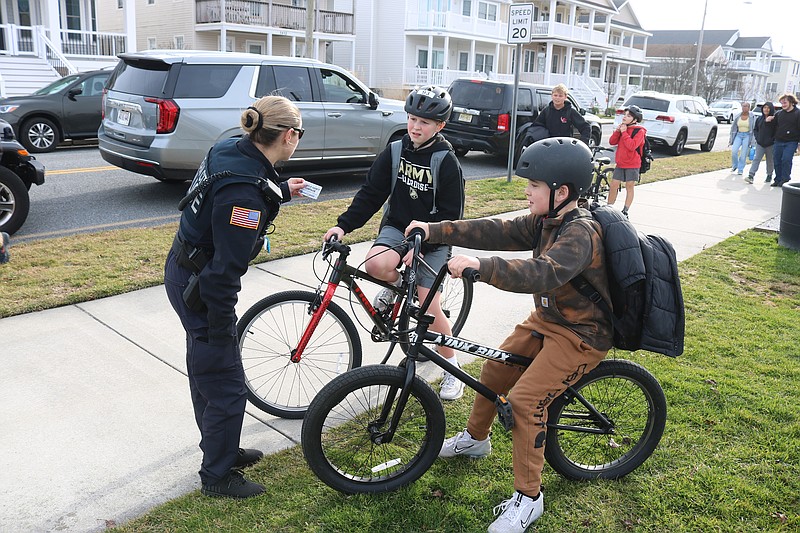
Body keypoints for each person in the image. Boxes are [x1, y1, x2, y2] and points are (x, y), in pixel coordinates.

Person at [407, 138, 611, 532]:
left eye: (534, 185)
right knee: (494, 371)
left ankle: (529, 499)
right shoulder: (545, 221)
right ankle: (475, 439)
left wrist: (481, 267)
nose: (526, 191)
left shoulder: (581, 233)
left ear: (561, 192)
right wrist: (434, 230)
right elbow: (494, 229)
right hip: (548, 320)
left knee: (525, 401)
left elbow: (542, 273)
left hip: (582, 333)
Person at [164, 96, 307, 499]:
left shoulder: (230, 146)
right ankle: (218, 475)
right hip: (203, 286)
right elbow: (225, 271)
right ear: (289, 135)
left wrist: (280, 190)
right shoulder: (243, 197)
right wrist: (221, 324)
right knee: (226, 383)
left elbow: (231, 189)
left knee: (205, 370)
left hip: (184, 269)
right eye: (299, 134)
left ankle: (221, 448)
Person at [323, 86, 466, 400]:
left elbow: (451, 215)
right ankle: (398, 285)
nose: (416, 126)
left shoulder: (446, 161)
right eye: (413, 118)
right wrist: (342, 225)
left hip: (435, 235)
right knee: (375, 264)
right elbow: (371, 194)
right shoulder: (396, 149)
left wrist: (425, 243)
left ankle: (452, 367)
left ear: (440, 126)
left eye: (425, 122)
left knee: (429, 304)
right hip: (399, 228)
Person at [607, 104, 646, 216]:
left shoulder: (640, 131)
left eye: (628, 116)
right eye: (624, 115)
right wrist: (618, 131)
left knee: (629, 186)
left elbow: (632, 146)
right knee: (614, 184)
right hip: (620, 163)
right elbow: (612, 142)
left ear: (635, 119)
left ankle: (625, 210)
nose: (624, 117)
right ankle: (609, 207)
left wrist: (624, 133)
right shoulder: (623, 128)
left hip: (632, 164)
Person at [767, 93, 800, 187]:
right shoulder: (779, 113)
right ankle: (778, 179)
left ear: (791, 102)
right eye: (782, 103)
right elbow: (774, 126)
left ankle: (785, 179)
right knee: (777, 160)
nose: (783, 105)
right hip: (778, 141)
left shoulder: (798, 113)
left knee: (786, 159)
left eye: (785, 103)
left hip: (791, 142)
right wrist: (769, 120)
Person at [746, 102, 777, 184]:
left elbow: (775, 131)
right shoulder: (760, 118)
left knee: (770, 160)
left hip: (770, 144)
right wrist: (757, 137)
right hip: (760, 143)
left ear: (771, 109)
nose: (766, 109)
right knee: (756, 159)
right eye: (764, 108)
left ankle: (769, 175)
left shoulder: (774, 119)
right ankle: (751, 175)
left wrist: (772, 140)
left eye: (768, 108)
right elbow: (756, 129)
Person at [728, 102, 755, 176]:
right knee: (734, 151)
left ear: (749, 108)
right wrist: (731, 138)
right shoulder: (738, 116)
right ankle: (734, 165)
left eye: (746, 106)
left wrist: (753, 141)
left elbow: (754, 128)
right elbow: (733, 128)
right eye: (743, 106)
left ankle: (740, 169)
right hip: (738, 134)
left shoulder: (752, 116)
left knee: (743, 154)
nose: (744, 108)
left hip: (747, 135)